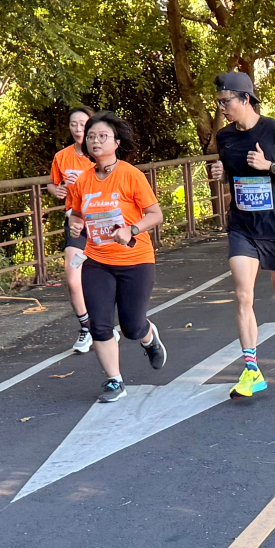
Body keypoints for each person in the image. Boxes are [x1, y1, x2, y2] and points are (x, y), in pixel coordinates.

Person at [210, 71, 275, 397]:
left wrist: (269, 166)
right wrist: (220, 173)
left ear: (245, 99)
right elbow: (231, 174)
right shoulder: (225, 137)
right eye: (218, 102)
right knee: (243, 295)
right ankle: (252, 370)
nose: (221, 108)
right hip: (243, 227)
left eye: (226, 101)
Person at [65, 112, 168, 403]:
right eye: (91, 136)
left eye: (102, 136)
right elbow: (77, 214)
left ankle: (149, 337)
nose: (95, 141)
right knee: (99, 324)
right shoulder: (83, 181)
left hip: (135, 259)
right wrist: (76, 225)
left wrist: (131, 229)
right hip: (97, 261)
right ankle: (115, 381)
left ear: (116, 142)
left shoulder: (130, 175)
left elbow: (155, 215)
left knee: (132, 326)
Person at [48, 106, 96, 354]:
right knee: (72, 276)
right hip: (76, 222)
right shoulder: (62, 157)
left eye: (83, 124)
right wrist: (55, 190)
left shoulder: (100, 154)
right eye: (73, 124)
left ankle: (103, 325)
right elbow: (53, 183)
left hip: (101, 223)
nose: (78, 129)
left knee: (101, 278)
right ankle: (86, 327)